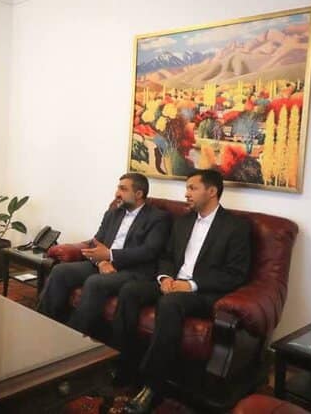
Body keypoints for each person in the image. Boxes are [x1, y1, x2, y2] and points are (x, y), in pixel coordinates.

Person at [114, 169, 252, 414]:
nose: (186, 194)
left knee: (170, 304)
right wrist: (165, 277)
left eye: (192, 188)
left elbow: (235, 274)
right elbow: (167, 256)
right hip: (173, 283)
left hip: (202, 293)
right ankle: (124, 364)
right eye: (186, 188)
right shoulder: (183, 221)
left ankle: (152, 386)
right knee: (130, 291)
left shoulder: (236, 227)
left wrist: (190, 285)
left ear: (212, 191)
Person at [38, 173, 170, 338]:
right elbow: (95, 242)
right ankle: (43, 325)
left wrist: (110, 255)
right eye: (118, 188)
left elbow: (149, 251)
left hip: (133, 270)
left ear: (138, 194)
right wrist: (101, 262)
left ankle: (74, 338)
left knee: (95, 282)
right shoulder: (113, 213)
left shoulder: (158, 218)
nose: (117, 193)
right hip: (103, 264)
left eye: (123, 189)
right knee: (60, 271)